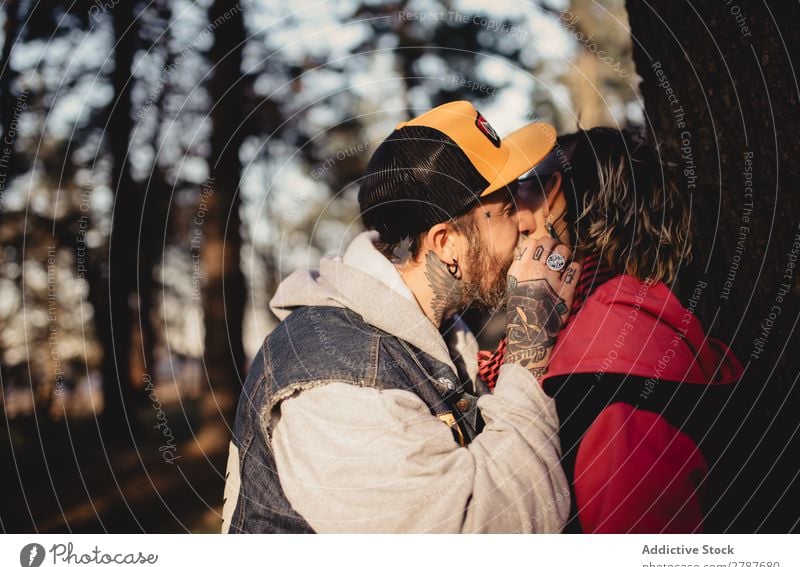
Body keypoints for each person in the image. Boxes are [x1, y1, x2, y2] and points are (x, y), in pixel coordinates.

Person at [221, 101, 582, 533]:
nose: (525, 219)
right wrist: (529, 345)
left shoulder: (438, 334)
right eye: (505, 207)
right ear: (446, 243)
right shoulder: (338, 386)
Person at [478, 127, 743, 533]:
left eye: (525, 189)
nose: (513, 216)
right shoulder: (609, 321)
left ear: (568, 198)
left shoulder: (611, 355)